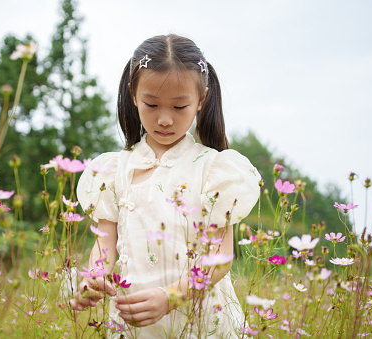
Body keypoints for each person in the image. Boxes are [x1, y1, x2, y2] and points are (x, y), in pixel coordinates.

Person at [70, 34, 261, 338]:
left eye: (179, 106)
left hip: (199, 317)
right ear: (133, 95)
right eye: (152, 103)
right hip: (134, 318)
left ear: (201, 100)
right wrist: (92, 279)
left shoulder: (213, 170)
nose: (164, 119)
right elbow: (103, 245)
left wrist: (170, 297)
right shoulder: (114, 170)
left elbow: (219, 257)